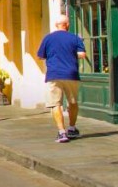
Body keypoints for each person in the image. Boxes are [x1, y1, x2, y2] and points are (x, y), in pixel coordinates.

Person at [37, 14, 87, 143]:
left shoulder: (48, 38)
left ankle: (61, 132)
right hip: (71, 73)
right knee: (73, 102)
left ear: (56, 25)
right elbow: (82, 54)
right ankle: (72, 128)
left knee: (56, 104)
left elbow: (40, 56)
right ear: (67, 25)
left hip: (54, 74)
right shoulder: (75, 38)